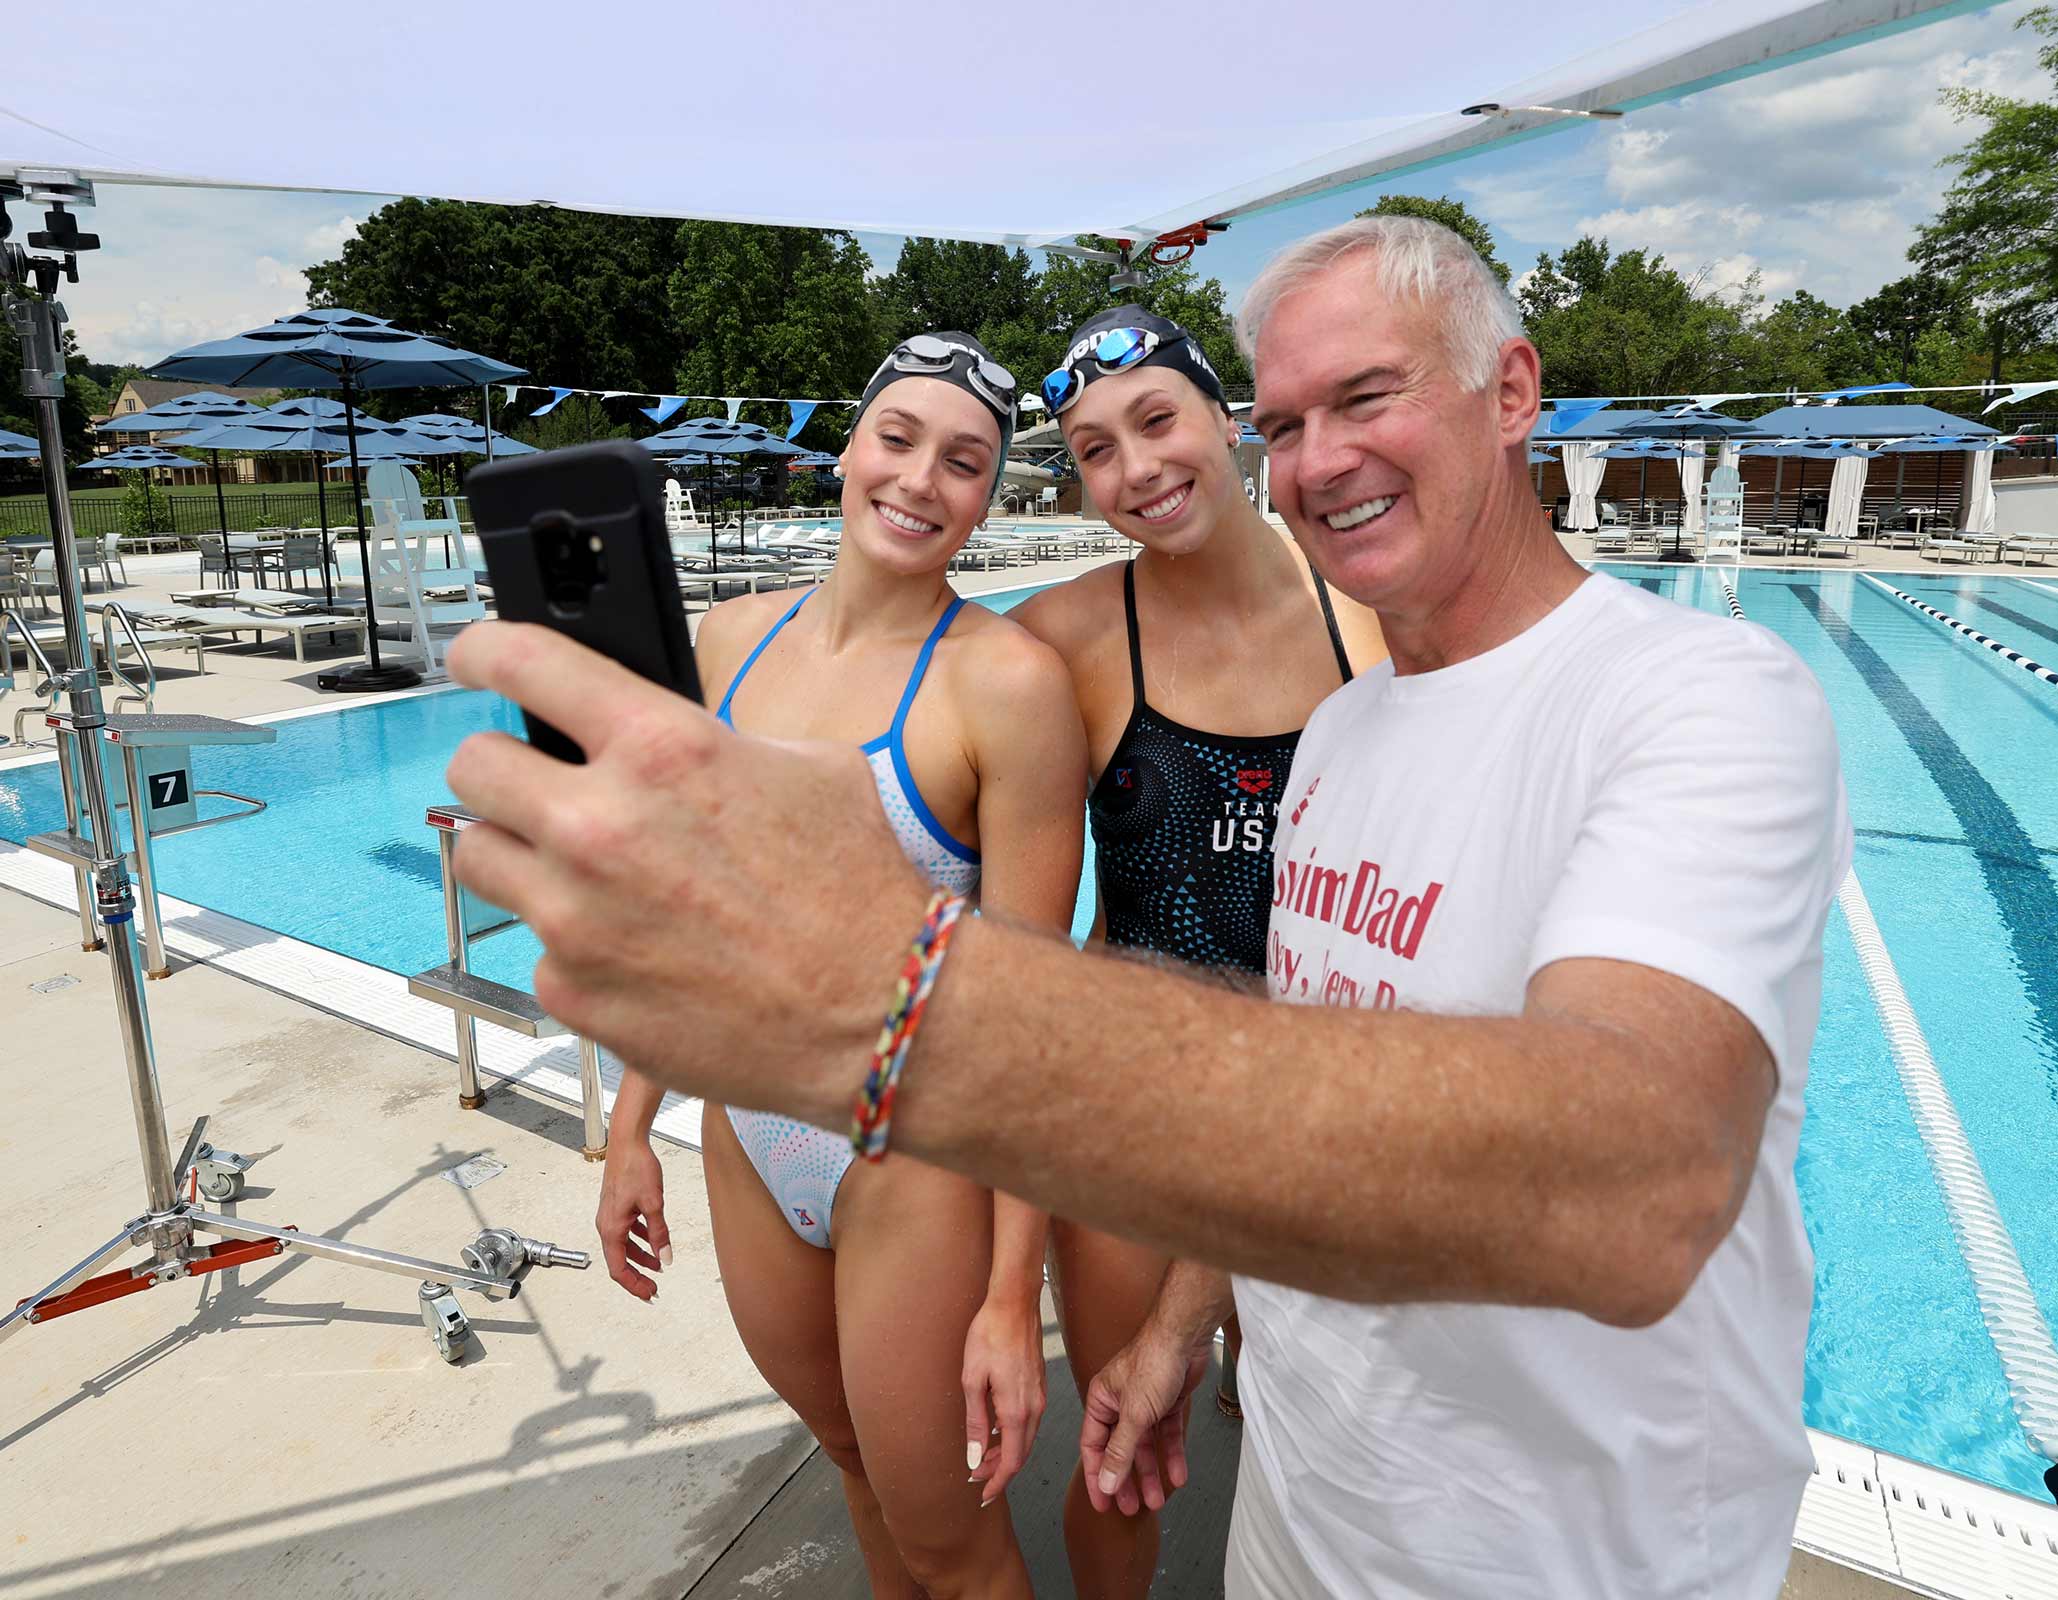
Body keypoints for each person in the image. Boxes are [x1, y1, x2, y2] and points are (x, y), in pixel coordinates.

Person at [447, 216, 1851, 1597]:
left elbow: (1638, 1178)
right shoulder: (1332, 736)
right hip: (1297, 1507)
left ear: (1511, 393)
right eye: (1295, 419)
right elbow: (1304, 997)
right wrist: (1188, 1311)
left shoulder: (1685, 699)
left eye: (1365, 398)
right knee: (1050, 1469)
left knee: (977, 1511)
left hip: (1574, 1541)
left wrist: (895, 1002)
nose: (1318, 457)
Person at [590, 332, 1087, 1599]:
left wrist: (1006, 1302)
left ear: (991, 494)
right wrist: (633, 1124)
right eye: (900, 439)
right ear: (851, 445)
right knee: (854, 1461)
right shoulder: (729, 641)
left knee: (954, 1540)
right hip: (745, 1130)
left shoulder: (1008, 684)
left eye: (966, 463)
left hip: (906, 1156)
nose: (923, 481)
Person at [1007, 306, 1384, 1598]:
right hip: (1136, 1109)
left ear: (1225, 417)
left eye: (1157, 421)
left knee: (1321, 1443)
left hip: (1322, 1108)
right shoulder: (1064, 638)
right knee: (1116, 1452)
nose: (1136, 470)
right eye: (1094, 450)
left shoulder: (1369, 617)